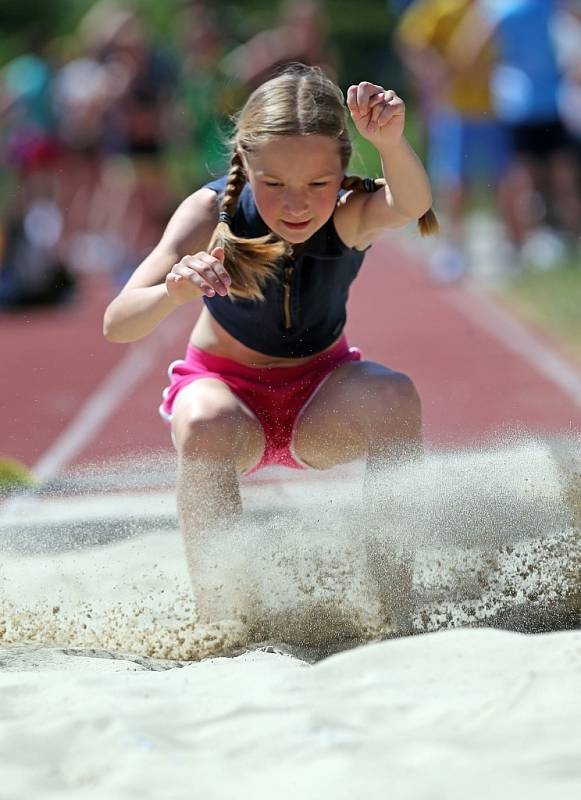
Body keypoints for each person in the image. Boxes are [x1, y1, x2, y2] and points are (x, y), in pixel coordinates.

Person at [103, 65, 436, 619]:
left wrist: (391, 144)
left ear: (342, 171)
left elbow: (411, 204)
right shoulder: (211, 213)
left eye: (317, 184)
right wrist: (172, 292)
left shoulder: (350, 215)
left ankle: (393, 598)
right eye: (274, 184)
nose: (297, 204)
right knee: (203, 421)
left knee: (396, 396)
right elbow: (118, 322)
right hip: (227, 401)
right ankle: (223, 614)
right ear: (245, 162)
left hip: (318, 397)